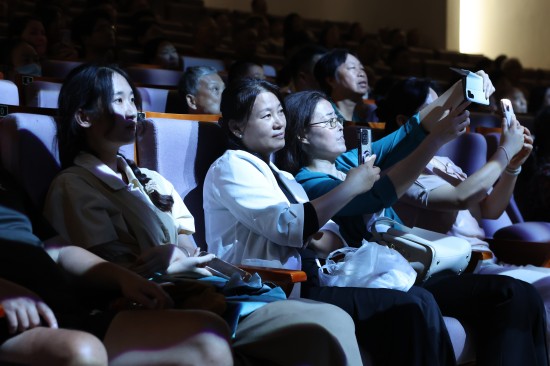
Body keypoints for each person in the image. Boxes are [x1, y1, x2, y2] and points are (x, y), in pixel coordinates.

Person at [43, 63, 364, 366]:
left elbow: (186, 240)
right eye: (118, 100)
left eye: (132, 99)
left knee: (332, 319)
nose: (131, 110)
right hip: (156, 301)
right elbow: (99, 269)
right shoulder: (74, 185)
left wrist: (178, 255)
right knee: (323, 322)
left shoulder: (152, 179)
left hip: (202, 286)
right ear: (84, 117)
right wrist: (172, 261)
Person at [204, 77, 467, 366]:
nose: (279, 122)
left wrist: (317, 232)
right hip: (270, 287)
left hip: (312, 278)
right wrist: (349, 189)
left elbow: (328, 238)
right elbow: (287, 227)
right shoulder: (232, 165)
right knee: (407, 307)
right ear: (236, 127)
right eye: (267, 116)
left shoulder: (285, 177)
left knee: (417, 300)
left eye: (280, 112)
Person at [279, 84, 548, 365]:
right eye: (328, 121)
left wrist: (463, 87)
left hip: (414, 270)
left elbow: (410, 131)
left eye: (338, 118)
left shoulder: (347, 164)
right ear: (302, 135)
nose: (338, 126)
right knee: (507, 295)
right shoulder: (308, 183)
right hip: (391, 279)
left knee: (521, 295)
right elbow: (376, 196)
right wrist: (434, 141)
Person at [377, 76, 550, 357]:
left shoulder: (444, 163)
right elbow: (461, 197)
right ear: (402, 120)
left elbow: (490, 210)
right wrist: (504, 152)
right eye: (437, 108)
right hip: (449, 271)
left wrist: (513, 166)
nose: (453, 112)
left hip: (485, 263)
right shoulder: (401, 168)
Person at [0, 170, 233, 365]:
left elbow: (59, 250)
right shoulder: (73, 182)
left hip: (61, 309)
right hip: (14, 318)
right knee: (83, 351)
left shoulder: (6, 180)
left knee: (207, 337)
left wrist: (125, 278)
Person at [314, 48, 378, 124]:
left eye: (362, 68)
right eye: (352, 68)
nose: (361, 74)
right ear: (331, 80)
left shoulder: (361, 120)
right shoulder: (322, 117)